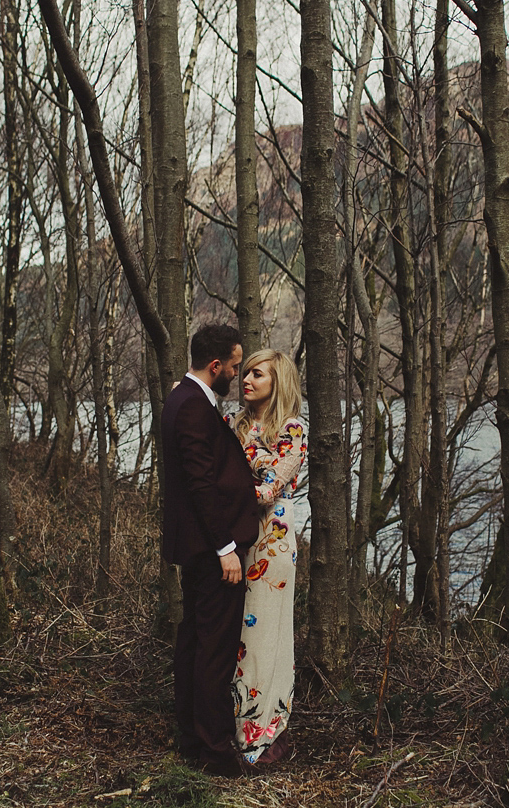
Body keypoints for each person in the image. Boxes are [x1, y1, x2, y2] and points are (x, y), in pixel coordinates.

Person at [161, 324, 261, 778]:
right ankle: (216, 753)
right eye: (236, 367)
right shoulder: (193, 407)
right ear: (215, 365)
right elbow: (201, 485)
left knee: (197, 642)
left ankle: (192, 739)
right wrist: (225, 548)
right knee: (214, 650)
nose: (237, 376)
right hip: (210, 548)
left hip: (198, 545)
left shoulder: (185, 399)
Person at [227, 348, 306, 766]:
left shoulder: (292, 429)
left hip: (271, 542)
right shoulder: (235, 423)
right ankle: (234, 724)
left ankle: (263, 732)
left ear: (278, 382)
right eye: (247, 372)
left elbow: (269, 488)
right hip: (238, 538)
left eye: (258, 374)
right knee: (237, 633)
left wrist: (247, 454)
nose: (248, 379)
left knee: (265, 635)